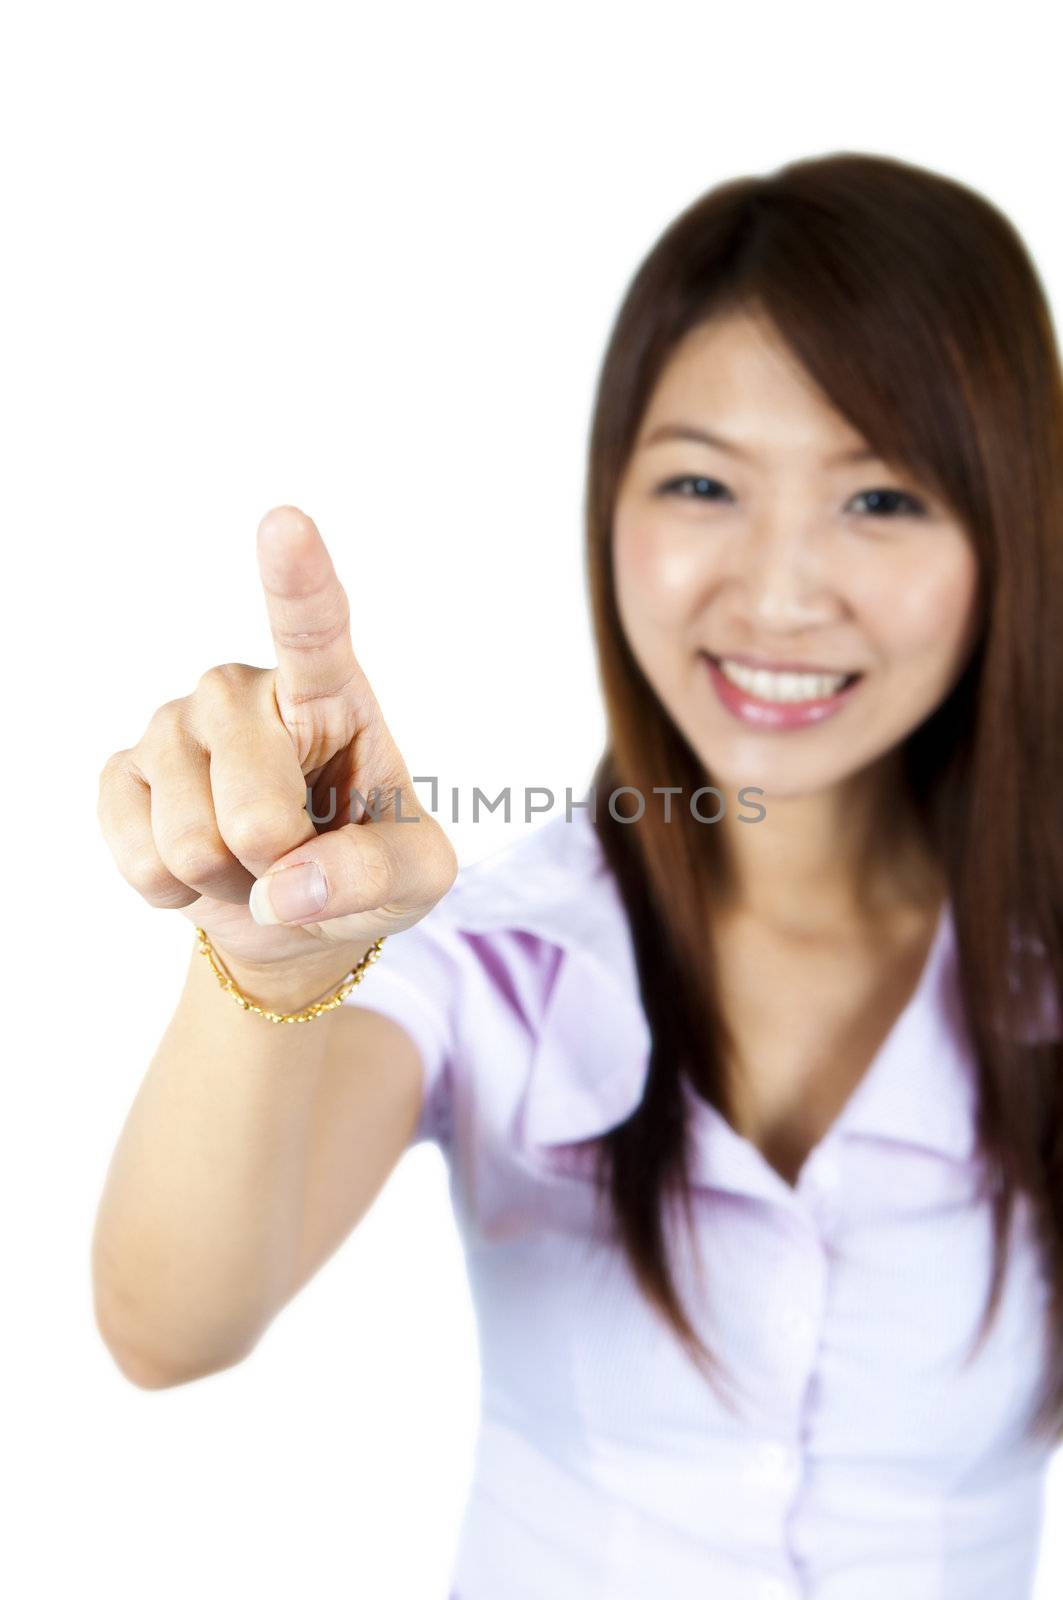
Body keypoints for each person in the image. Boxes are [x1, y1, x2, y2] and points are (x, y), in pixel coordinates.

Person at [92, 151, 1063, 1599]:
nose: (783, 591)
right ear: (609, 509)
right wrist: (268, 966)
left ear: (1013, 531)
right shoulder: (497, 948)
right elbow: (171, 1324)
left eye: (883, 500)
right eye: (701, 484)